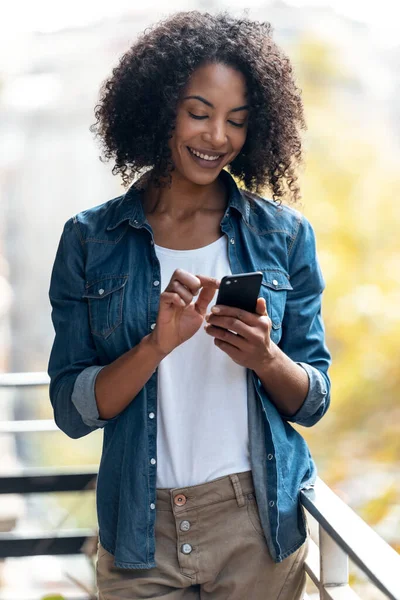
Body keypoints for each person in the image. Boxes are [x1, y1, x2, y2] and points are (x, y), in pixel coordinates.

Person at [48, 11, 331, 600]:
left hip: (255, 526)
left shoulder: (283, 236)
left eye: (237, 121)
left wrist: (266, 357)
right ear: (160, 108)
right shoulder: (90, 240)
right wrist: (156, 345)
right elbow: (73, 412)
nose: (217, 137)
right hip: (137, 530)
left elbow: (313, 401)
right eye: (199, 113)